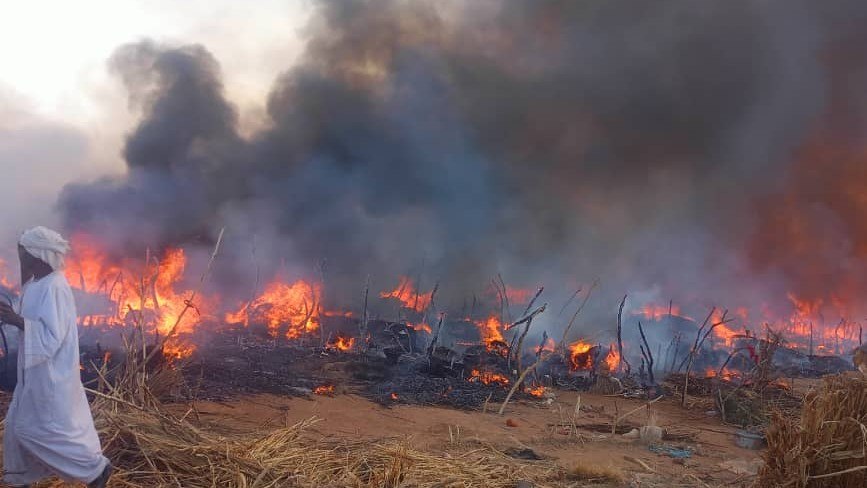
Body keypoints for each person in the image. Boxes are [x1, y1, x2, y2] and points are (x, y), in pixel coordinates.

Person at [0, 227, 112, 488]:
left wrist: (16, 320)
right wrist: (11, 314)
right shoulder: (36, 284)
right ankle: (20, 480)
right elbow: (31, 316)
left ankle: (95, 470)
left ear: (38, 255)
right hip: (33, 372)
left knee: (38, 430)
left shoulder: (55, 287)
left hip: (50, 373)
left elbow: (53, 335)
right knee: (17, 427)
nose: (21, 258)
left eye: (24, 253)